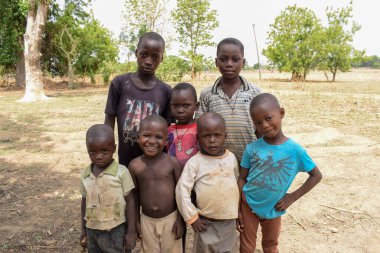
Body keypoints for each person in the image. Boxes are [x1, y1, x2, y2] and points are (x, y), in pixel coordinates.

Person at [238, 93, 323, 253]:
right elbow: (242, 178)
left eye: (268, 118)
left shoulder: (295, 150)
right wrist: (239, 207)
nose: (264, 125)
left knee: (271, 245)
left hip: (274, 208)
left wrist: (292, 197)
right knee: (246, 247)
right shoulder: (252, 148)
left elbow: (316, 176)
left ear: (281, 113)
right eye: (258, 122)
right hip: (248, 204)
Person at [104, 32, 172, 167]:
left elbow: (168, 128)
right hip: (126, 159)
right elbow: (110, 118)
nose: (148, 61)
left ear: (161, 58)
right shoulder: (119, 84)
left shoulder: (166, 91)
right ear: (136, 53)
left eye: (155, 57)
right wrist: (107, 146)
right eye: (144, 54)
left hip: (154, 162)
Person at [176, 112, 240, 253]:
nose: (212, 140)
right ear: (198, 138)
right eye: (206, 136)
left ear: (225, 136)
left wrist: (239, 211)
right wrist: (192, 218)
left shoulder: (231, 159)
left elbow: (236, 185)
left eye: (217, 135)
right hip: (205, 224)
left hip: (229, 223)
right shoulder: (195, 163)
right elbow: (182, 191)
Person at [197, 37, 261, 161]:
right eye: (223, 59)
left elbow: (260, 128)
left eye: (235, 59)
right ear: (216, 62)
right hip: (217, 161)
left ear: (243, 62)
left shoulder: (254, 92)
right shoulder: (207, 94)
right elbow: (200, 127)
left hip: (250, 160)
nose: (229, 64)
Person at [128, 115, 184, 253]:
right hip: (146, 220)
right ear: (138, 137)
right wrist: (135, 221)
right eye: (146, 135)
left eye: (158, 137)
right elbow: (133, 197)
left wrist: (181, 220)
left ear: (166, 141)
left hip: (171, 219)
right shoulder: (135, 166)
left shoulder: (173, 163)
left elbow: (182, 193)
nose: (152, 141)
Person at [79, 124, 136, 253]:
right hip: (92, 229)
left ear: (114, 148)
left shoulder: (121, 172)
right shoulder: (85, 175)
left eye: (104, 151)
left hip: (116, 229)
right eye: (92, 152)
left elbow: (131, 201)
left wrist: (131, 231)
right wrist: (83, 229)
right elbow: (84, 202)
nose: (99, 156)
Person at [167, 82, 200, 168]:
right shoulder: (169, 130)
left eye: (186, 105)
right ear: (170, 106)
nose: (180, 110)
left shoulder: (200, 129)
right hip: (174, 174)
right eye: (175, 106)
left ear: (196, 106)